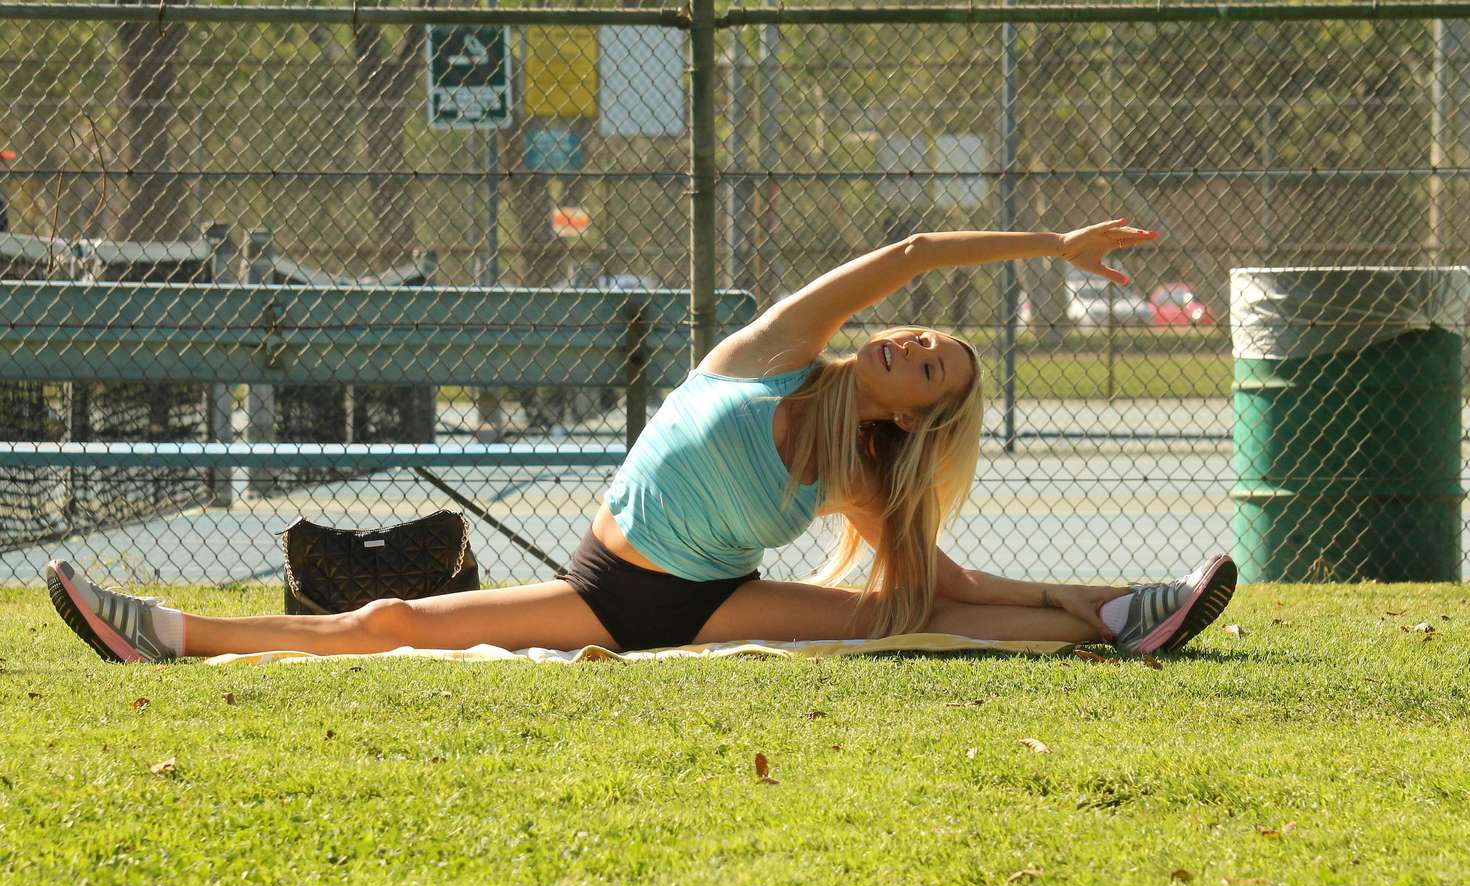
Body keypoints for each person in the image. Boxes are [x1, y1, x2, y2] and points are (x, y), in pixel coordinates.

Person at [46, 220, 1236, 664]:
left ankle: (1126, 613)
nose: (914, 342)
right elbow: (914, 251)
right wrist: (1049, 246)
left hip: (707, 603)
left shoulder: (864, 468)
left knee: (919, 602)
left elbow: (934, 575)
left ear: (912, 415)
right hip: (608, 587)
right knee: (389, 623)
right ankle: (163, 632)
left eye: (929, 368)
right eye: (924, 340)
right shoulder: (781, 349)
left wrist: (1078, 603)